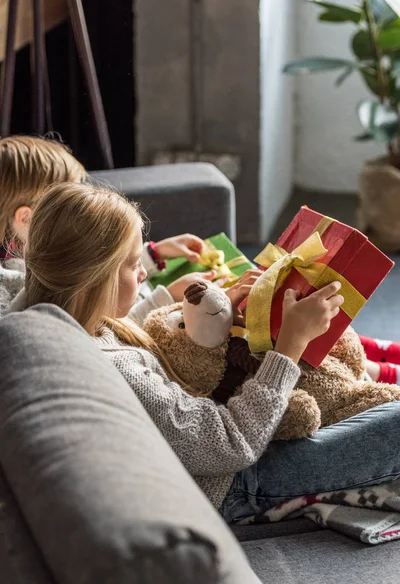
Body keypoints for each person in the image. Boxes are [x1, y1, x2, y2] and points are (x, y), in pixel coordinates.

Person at [20, 182, 400, 522]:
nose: (143, 275)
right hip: (230, 484)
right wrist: (288, 349)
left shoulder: (59, 317)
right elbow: (231, 444)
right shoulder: (112, 370)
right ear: (91, 281)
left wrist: (221, 306)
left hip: (223, 434)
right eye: (135, 264)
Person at [0, 135, 218, 321]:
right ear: (26, 218)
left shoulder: (47, 256)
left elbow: (101, 273)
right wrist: (166, 298)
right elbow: (103, 328)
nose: (86, 203)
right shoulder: (23, 284)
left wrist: (150, 254)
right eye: (69, 203)